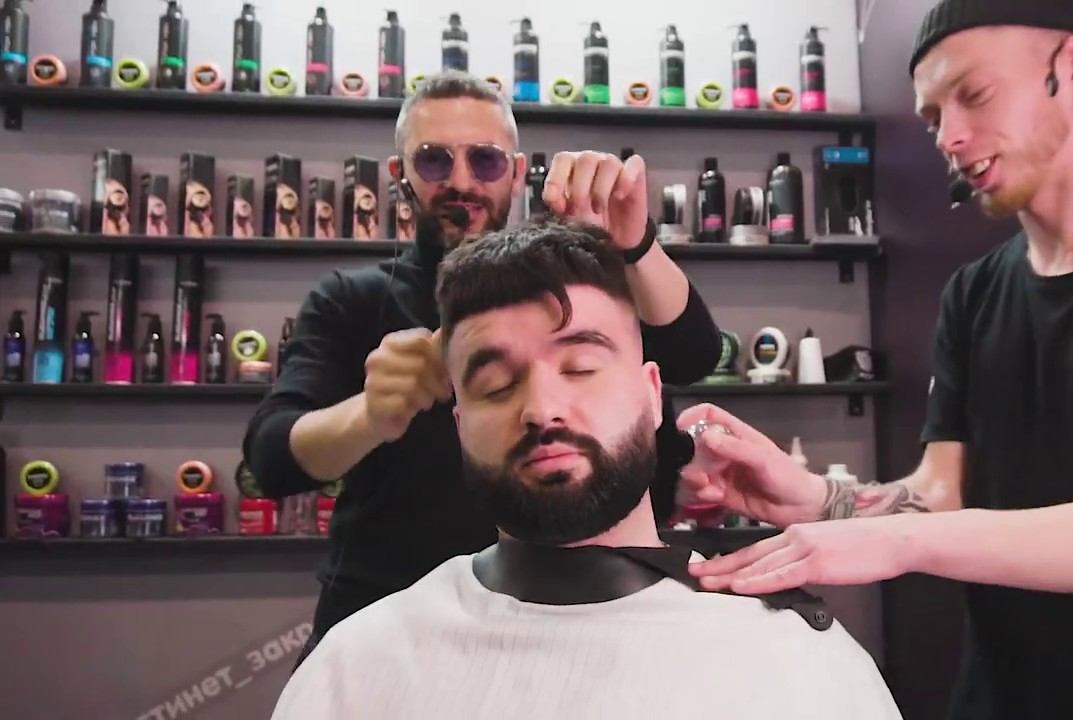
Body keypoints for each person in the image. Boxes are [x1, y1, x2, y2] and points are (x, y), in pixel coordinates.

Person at [675, 2, 1073, 719]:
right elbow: (943, 493)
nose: (950, 137)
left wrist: (904, 542)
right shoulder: (975, 291)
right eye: (933, 116)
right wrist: (816, 500)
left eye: (976, 95)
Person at [269, 223, 902, 720]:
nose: (542, 409)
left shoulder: (794, 660)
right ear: (459, 424)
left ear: (652, 394)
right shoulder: (358, 668)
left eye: (580, 368)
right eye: (496, 385)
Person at [242, 71, 721, 661]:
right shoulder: (350, 300)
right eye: (434, 160)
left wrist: (635, 242)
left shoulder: (566, 288)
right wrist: (369, 416)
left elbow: (694, 353)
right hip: (386, 620)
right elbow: (272, 459)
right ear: (400, 175)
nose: (462, 181)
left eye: (485, 161)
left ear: (517, 173)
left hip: (569, 610)